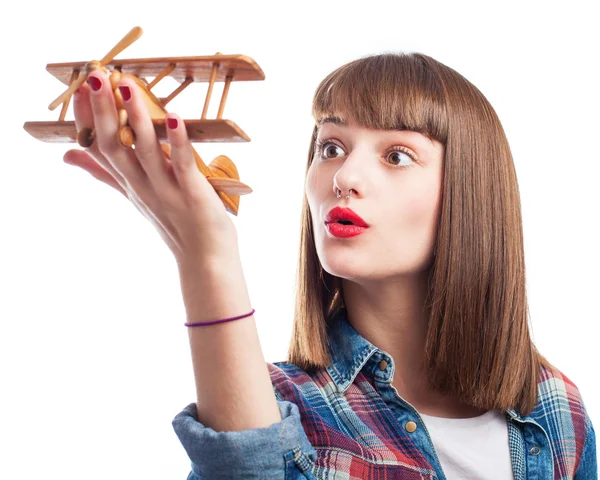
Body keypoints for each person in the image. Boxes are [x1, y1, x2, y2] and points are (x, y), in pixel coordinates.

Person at [65, 52, 597, 479]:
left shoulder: (555, 413)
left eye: (396, 155)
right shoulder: (278, 411)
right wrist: (205, 254)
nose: (344, 176)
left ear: (470, 194)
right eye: (332, 146)